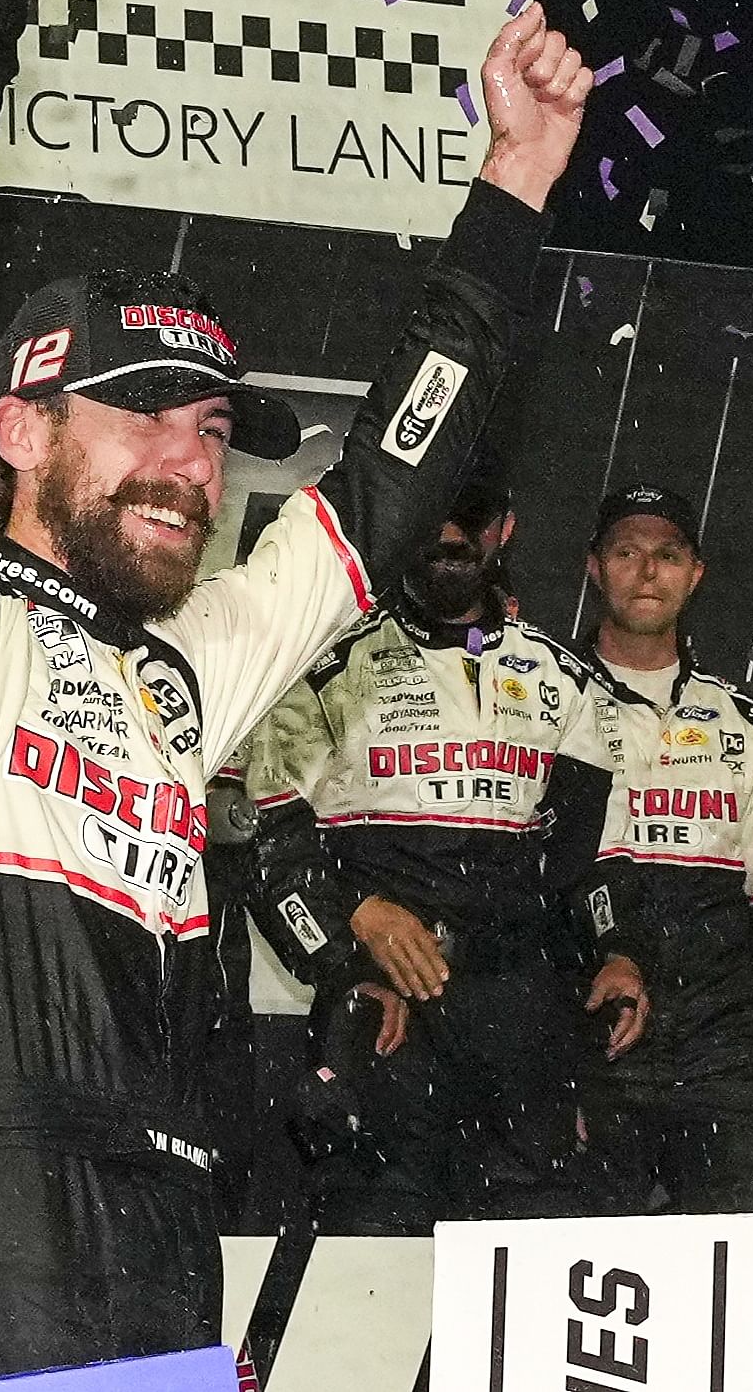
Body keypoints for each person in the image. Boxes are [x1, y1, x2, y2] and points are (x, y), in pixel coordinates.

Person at [0, 0, 592, 1391]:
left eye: (211, 425)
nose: (185, 455)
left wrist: (510, 198)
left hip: (171, 1260)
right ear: (16, 422)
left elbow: (386, 490)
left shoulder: (180, 676)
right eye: (140, 409)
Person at [237, 452, 634, 1233]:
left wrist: (621, 952)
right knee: (373, 1248)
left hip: (520, 1015)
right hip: (390, 1009)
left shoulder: (568, 681)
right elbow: (270, 849)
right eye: (431, 519)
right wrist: (351, 934)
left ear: (504, 529)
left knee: (520, 1248)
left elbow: (600, 859)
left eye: (471, 517)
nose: (450, 535)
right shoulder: (322, 672)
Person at [576, 485, 753, 1215]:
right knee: (581, 1277)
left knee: (738, 1282)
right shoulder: (542, 703)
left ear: (696, 574)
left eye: (668, 555)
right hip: (599, 1040)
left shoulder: (752, 727)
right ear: (595, 568)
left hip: (727, 1053)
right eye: (627, 552)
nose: (648, 572)